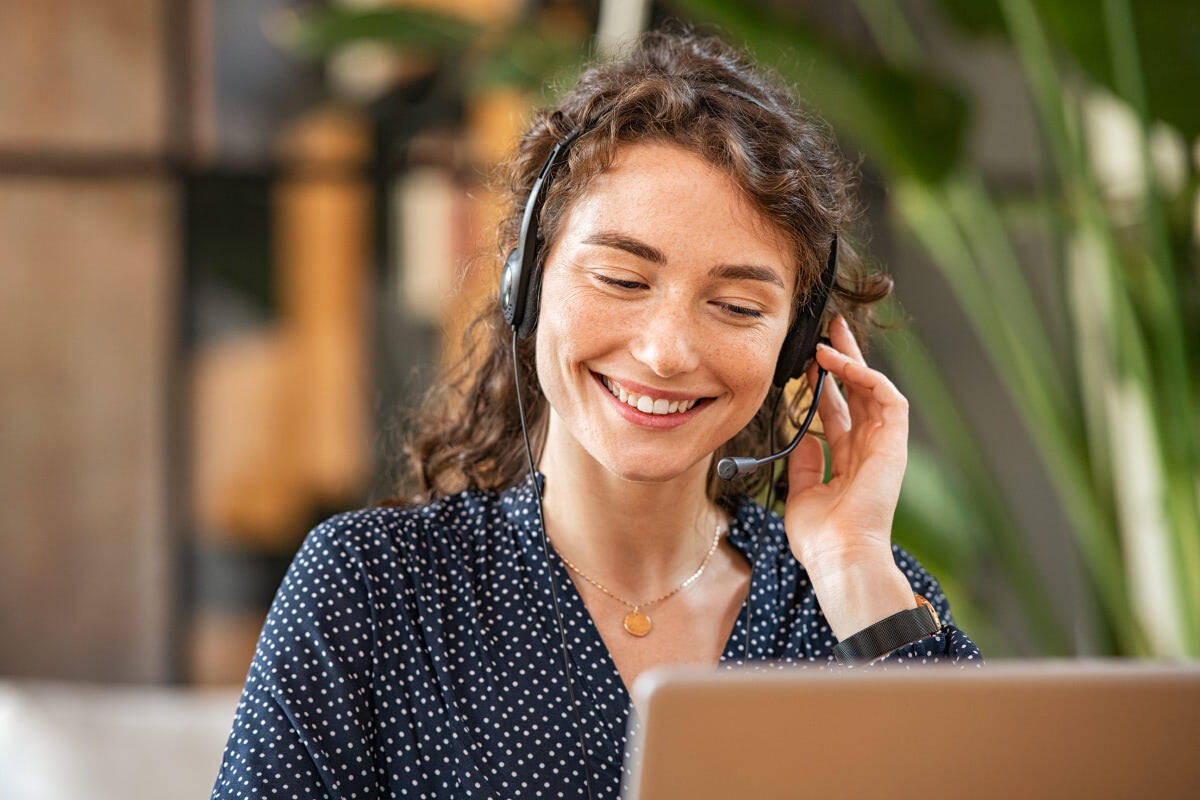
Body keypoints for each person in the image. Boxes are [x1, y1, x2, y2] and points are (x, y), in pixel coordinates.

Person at [211, 25, 981, 800]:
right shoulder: (375, 590)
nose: (667, 351)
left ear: (794, 346)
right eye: (621, 278)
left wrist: (854, 570)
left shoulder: (861, 601)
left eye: (738, 305)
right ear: (528, 282)